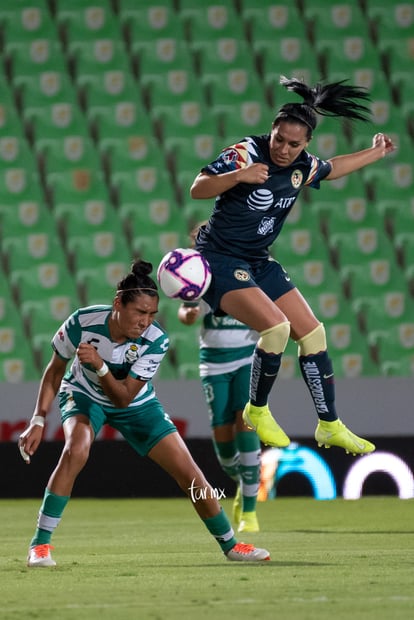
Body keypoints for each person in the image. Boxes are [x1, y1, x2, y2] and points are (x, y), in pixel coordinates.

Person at [190, 76, 396, 454]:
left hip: (257, 259)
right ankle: (257, 410)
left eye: (293, 143)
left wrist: (376, 152)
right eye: (279, 139)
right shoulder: (245, 153)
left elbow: (332, 168)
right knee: (277, 329)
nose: (283, 149)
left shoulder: (304, 165)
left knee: (313, 334)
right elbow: (198, 186)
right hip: (219, 258)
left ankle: (330, 424)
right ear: (271, 131)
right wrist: (237, 176)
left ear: (306, 144)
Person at [18, 260, 270, 567]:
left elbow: (123, 397)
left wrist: (99, 365)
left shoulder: (156, 340)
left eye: (152, 314)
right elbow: (56, 368)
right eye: (140, 312)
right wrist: (38, 419)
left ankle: (231, 545)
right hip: (85, 396)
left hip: (135, 405)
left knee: (188, 472)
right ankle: (40, 546)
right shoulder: (82, 321)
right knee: (76, 449)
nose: (145, 321)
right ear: (118, 304)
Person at [178, 224, 261, 534]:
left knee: (246, 419)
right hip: (213, 363)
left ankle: (250, 512)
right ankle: (244, 483)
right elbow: (187, 312)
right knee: (225, 446)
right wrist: (188, 313)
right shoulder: (197, 275)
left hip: (247, 357)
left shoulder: (248, 264)